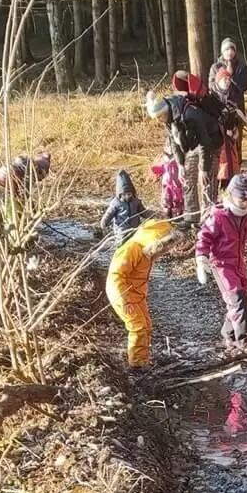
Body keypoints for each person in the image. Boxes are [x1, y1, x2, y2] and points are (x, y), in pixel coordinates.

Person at [195, 171, 247, 349]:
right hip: (222, 265)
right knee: (237, 298)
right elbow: (204, 237)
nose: (245, 203)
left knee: (240, 299)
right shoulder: (218, 217)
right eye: (242, 200)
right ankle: (245, 341)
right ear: (231, 195)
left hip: (238, 263)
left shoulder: (245, 216)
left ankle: (229, 334)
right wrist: (201, 259)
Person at [146, 82, 222, 227]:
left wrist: (204, 168)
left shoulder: (190, 113)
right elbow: (174, 142)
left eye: (159, 117)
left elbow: (205, 142)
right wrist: (180, 164)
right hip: (192, 145)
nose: (159, 121)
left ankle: (208, 219)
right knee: (187, 176)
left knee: (206, 180)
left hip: (210, 142)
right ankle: (191, 216)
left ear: (165, 111)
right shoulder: (168, 118)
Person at [105, 218, 174, 368]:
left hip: (136, 295)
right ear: (155, 240)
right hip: (123, 295)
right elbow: (116, 275)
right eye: (164, 246)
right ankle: (137, 365)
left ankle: (143, 359)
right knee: (138, 327)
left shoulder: (147, 252)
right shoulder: (131, 249)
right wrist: (124, 300)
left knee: (146, 325)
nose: (165, 251)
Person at [212, 65, 246, 188]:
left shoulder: (233, 96)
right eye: (224, 79)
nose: (227, 82)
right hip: (217, 140)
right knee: (219, 168)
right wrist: (223, 131)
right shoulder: (212, 98)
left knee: (231, 166)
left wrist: (236, 129)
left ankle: (229, 191)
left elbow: (236, 115)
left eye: (228, 79)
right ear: (218, 81)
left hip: (230, 140)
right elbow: (211, 120)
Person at [100, 169, 149, 246]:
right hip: (121, 230)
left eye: (129, 194)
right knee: (121, 245)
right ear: (120, 194)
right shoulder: (116, 203)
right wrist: (104, 222)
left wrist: (152, 214)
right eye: (124, 195)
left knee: (134, 244)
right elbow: (109, 213)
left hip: (134, 228)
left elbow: (143, 212)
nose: (127, 196)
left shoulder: (136, 202)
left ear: (132, 193)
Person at [208, 37, 247, 113]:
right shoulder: (215, 67)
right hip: (220, 104)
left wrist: (231, 77)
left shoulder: (241, 66)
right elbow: (211, 86)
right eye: (227, 50)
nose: (230, 52)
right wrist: (221, 85)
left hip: (237, 105)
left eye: (232, 50)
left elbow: (244, 86)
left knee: (238, 124)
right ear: (223, 51)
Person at [149, 140, 184, 219]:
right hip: (166, 186)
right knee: (166, 201)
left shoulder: (178, 161)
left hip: (176, 185)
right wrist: (155, 169)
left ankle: (178, 216)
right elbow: (160, 168)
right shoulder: (164, 161)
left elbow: (182, 169)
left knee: (177, 201)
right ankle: (167, 216)